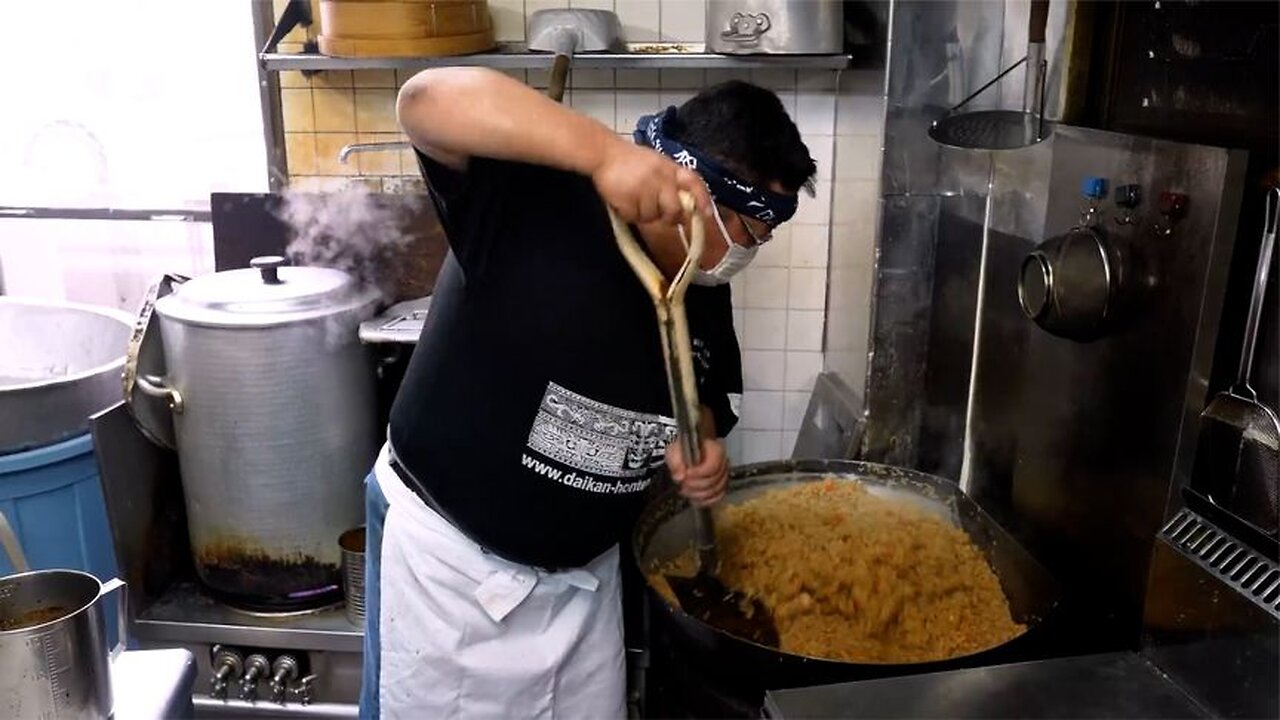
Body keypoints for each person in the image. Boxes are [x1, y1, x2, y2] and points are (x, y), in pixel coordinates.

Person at [360, 67, 816, 719]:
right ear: (692, 192)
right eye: (748, 230)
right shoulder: (539, 203)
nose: (750, 251)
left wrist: (700, 444)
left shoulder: (701, 289)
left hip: (584, 584)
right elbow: (423, 100)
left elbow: (702, 398)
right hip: (452, 570)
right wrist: (604, 153)